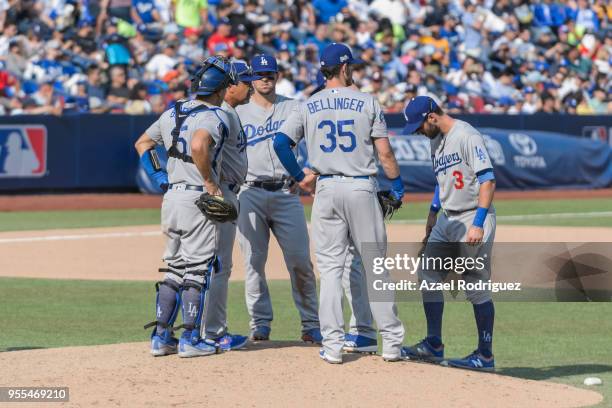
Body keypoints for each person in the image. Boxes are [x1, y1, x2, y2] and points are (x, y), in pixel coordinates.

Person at [273, 43, 407, 364]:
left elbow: (280, 143)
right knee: (375, 265)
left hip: (326, 189)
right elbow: (385, 154)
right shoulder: (366, 101)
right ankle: (391, 343)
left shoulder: (308, 105)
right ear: (345, 68)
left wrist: (299, 177)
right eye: (353, 67)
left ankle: (332, 346)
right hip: (360, 187)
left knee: (331, 270)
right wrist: (398, 186)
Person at [135, 56, 236, 358]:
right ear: (221, 89)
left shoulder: (173, 111)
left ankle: (161, 337)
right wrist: (211, 183)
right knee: (196, 270)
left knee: (174, 268)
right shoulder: (215, 116)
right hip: (197, 199)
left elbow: (142, 143)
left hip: (172, 197)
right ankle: (191, 338)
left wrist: (158, 177)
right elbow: (199, 144)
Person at [402, 95, 497, 371]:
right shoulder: (436, 140)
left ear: (432, 116)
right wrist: (432, 213)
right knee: (427, 272)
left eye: (419, 126)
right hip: (447, 219)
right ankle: (433, 343)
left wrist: (478, 223)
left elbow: (487, 180)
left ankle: (485, 355)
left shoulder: (466, 135)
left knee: (475, 284)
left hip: (472, 216)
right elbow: (441, 179)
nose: (418, 132)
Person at [235, 54, 321, 343]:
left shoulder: (294, 107)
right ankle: (260, 323)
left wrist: (308, 170)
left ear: (278, 75)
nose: (265, 78)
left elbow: (318, 142)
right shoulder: (238, 112)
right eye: (259, 74)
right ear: (251, 78)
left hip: (286, 192)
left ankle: (311, 324)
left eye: (269, 73)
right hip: (250, 192)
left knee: (300, 262)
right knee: (253, 263)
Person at [201, 61, 256, 351]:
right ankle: (212, 331)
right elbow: (201, 148)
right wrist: (212, 185)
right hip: (222, 194)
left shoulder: (229, 112)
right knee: (217, 266)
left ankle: (203, 329)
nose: (250, 86)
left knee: (216, 265)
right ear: (229, 86)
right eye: (245, 82)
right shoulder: (221, 113)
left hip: (229, 192)